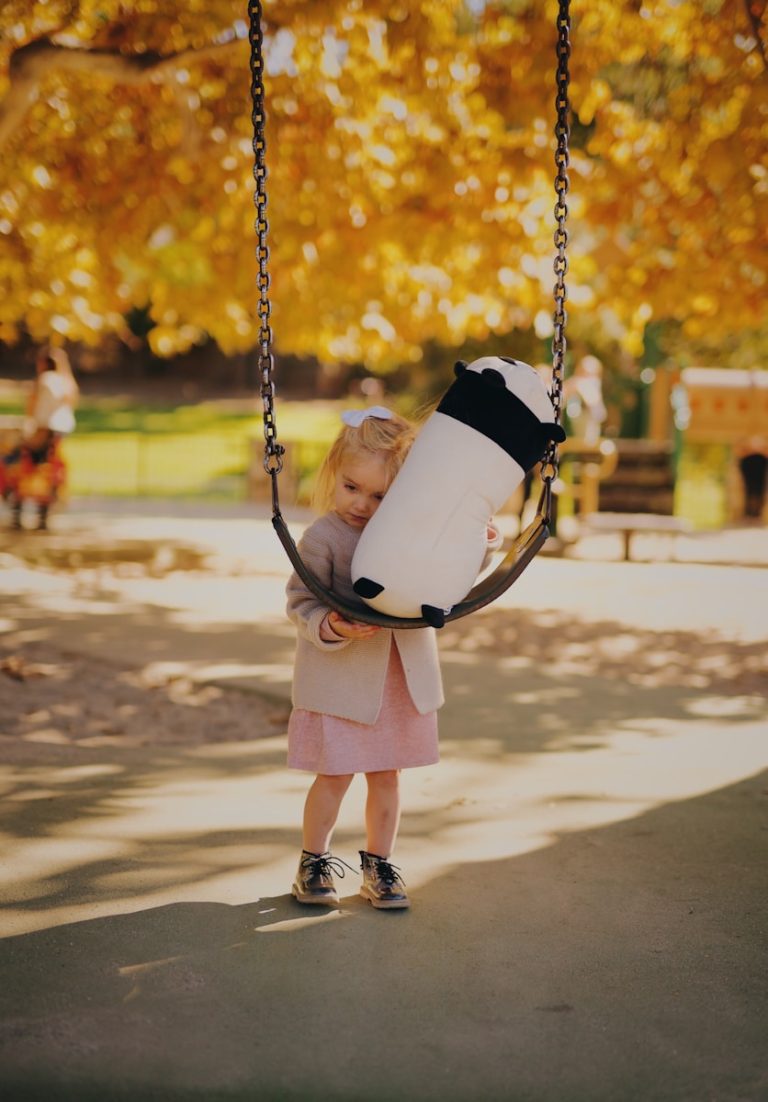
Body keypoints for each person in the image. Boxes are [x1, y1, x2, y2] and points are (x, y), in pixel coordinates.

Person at [285, 406, 500, 910]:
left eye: (380, 495)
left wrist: (484, 543)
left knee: (387, 776)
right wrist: (330, 625)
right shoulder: (324, 538)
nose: (361, 503)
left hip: (397, 680)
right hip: (343, 681)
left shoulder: (417, 536)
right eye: (351, 487)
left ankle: (379, 865)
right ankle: (313, 861)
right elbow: (300, 601)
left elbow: (453, 572)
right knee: (334, 775)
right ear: (334, 478)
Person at [3, 347, 78, 530]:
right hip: (51, 442)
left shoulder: (45, 381)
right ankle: (39, 511)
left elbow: (34, 411)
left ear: (43, 363)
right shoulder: (66, 383)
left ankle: (14, 505)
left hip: (40, 440)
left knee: (7, 458)